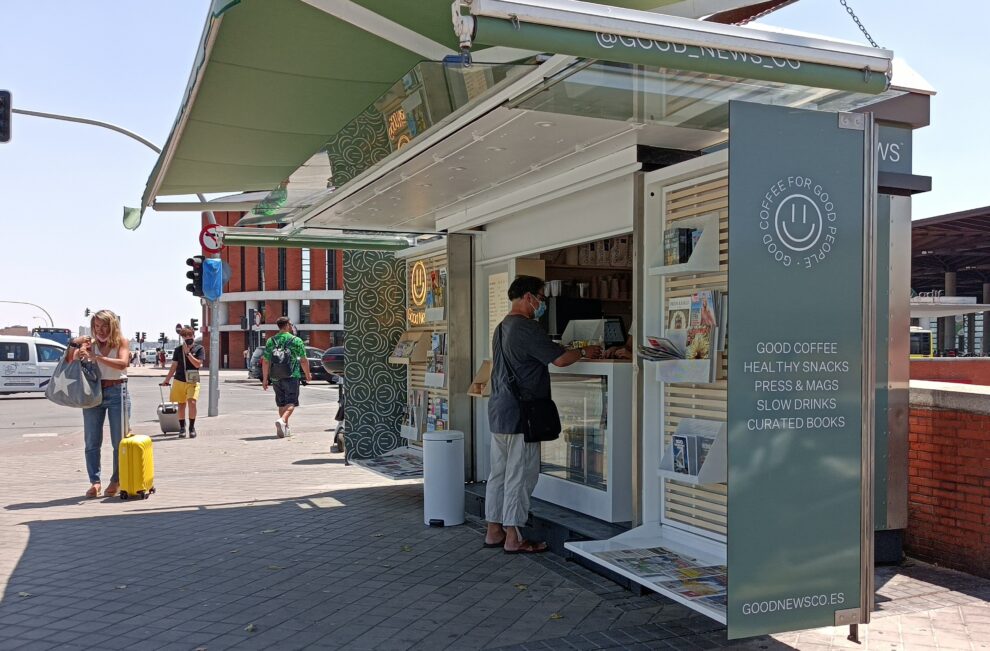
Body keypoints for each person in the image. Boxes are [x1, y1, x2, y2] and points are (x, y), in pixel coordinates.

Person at [485, 276, 602, 553]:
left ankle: (494, 530)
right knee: (520, 474)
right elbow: (559, 359)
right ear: (528, 297)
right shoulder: (527, 328)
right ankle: (514, 536)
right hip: (521, 415)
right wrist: (584, 350)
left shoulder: (501, 328)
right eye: (540, 297)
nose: (542, 303)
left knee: (499, 473)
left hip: (500, 410)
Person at [65, 309, 132, 498]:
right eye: (96, 326)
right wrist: (74, 345)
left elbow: (122, 363)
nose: (100, 330)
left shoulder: (121, 342)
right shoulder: (89, 344)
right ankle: (95, 482)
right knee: (92, 441)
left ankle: (116, 480)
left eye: (104, 326)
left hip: (118, 391)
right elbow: (70, 359)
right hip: (93, 393)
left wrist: (98, 358)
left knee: (119, 441)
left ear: (112, 327)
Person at [262, 316, 311, 438]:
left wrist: (264, 379)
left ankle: (285, 428)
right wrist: (307, 374)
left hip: (275, 377)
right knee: (291, 402)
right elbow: (303, 360)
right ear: (288, 325)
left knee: (281, 403)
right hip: (292, 375)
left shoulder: (270, 341)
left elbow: (266, 361)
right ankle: (282, 420)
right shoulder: (296, 340)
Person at [159, 326, 205, 438]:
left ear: (193, 335)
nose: (188, 338)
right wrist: (167, 380)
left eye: (190, 335)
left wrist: (188, 353)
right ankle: (182, 428)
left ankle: (192, 427)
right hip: (179, 379)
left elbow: (198, 364)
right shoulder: (178, 350)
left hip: (193, 380)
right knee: (181, 404)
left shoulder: (199, 348)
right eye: (185, 336)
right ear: (182, 337)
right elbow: (174, 365)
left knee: (192, 402)